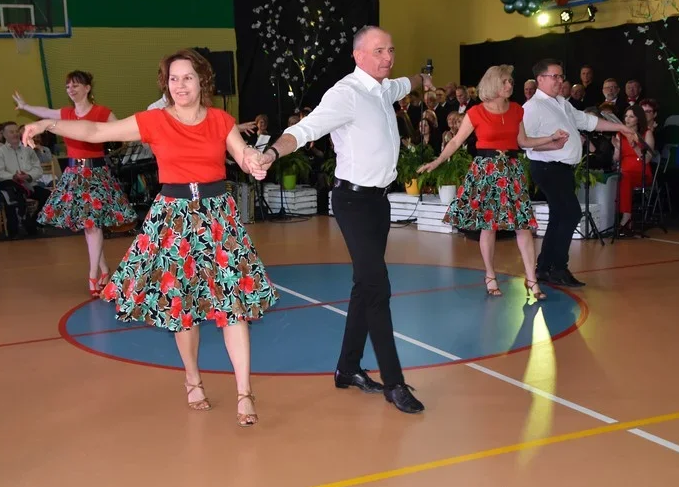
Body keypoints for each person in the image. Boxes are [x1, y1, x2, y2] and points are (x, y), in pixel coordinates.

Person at [21, 49, 277, 427]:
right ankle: (193, 379)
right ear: (166, 84)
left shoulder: (221, 120)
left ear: (202, 81)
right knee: (182, 307)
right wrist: (48, 124)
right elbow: (96, 132)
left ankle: (244, 392)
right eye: (173, 79)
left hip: (217, 217)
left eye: (187, 77)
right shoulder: (155, 120)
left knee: (233, 305)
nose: (180, 85)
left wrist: (254, 162)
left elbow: (241, 154)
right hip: (173, 216)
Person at [246, 25, 433, 414]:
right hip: (353, 202)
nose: (387, 57)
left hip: (379, 203)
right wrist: (272, 154)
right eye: (379, 51)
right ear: (358, 56)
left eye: (391, 50)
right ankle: (394, 383)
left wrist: (423, 78)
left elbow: (408, 82)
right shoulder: (345, 94)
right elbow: (304, 129)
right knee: (377, 287)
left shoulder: (385, 88)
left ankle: (347, 369)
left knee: (365, 286)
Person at [417, 65, 569, 299]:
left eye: (510, 81)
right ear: (493, 84)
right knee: (488, 227)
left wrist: (551, 140)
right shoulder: (476, 112)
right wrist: (437, 161)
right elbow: (456, 141)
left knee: (523, 226)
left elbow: (523, 141)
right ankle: (490, 275)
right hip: (486, 171)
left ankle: (532, 279)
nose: (510, 85)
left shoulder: (516, 109)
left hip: (511, 170)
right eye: (505, 81)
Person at [12, 71, 137, 296]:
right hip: (74, 174)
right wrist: (25, 106)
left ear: (87, 88)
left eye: (76, 85)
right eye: (68, 86)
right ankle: (104, 271)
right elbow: (45, 113)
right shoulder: (66, 114)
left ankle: (93, 275)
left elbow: (122, 131)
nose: (71, 89)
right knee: (90, 226)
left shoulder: (102, 112)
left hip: (96, 174)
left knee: (92, 225)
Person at [522, 58, 636, 287]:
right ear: (540, 79)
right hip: (548, 167)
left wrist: (620, 127)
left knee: (559, 216)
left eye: (561, 76)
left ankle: (545, 268)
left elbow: (588, 122)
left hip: (562, 169)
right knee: (571, 213)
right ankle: (558, 267)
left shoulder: (561, 103)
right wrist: (552, 145)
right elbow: (526, 143)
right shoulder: (532, 107)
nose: (559, 80)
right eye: (554, 76)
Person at [612, 105, 655, 233]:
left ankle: (626, 218)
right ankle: (610, 218)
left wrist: (635, 146)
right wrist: (617, 148)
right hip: (624, 172)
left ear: (638, 118)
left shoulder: (647, 133)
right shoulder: (620, 134)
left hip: (641, 173)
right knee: (615, 178)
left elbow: (647, 159)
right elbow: (615, 159)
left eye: (631, 116)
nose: (627, 119)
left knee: (624, 178)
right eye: (626, 116)